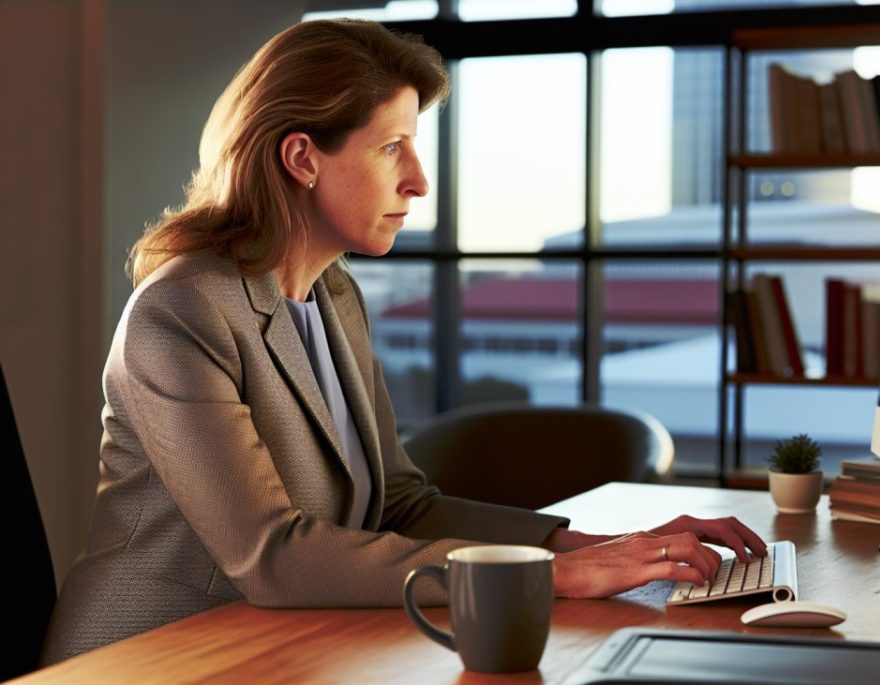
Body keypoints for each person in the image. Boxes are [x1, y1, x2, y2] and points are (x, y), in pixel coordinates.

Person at [40, 18, 767, 665]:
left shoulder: (335, 295)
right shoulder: (183, 310)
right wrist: (551, 576)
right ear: (301, 157)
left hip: (295, 643)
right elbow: (272, 556)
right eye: (393, 147)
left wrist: (588, 547)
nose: (418, 181)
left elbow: (399, 501)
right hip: (160, 655)